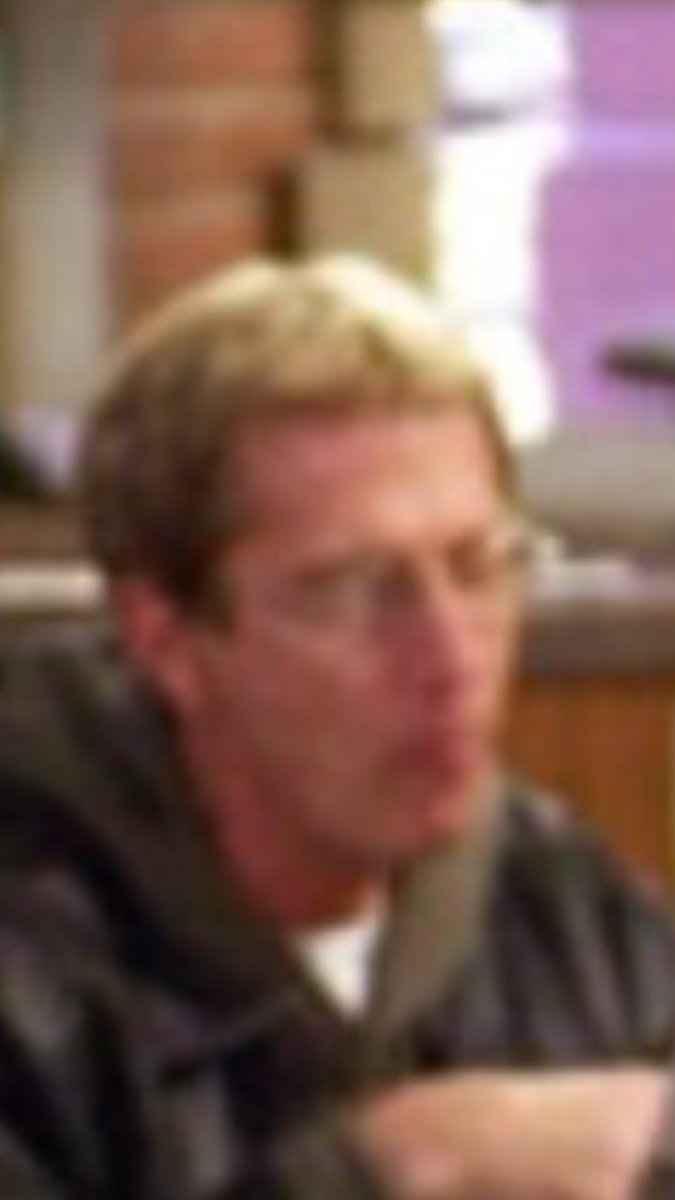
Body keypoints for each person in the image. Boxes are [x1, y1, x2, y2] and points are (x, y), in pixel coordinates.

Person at [0, 255, 674, 1200]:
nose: (450, 655)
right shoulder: (33, 964)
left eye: (478, 566)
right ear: (166, 640)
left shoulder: (562, 905)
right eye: (352, 591)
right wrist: (375, 1168)